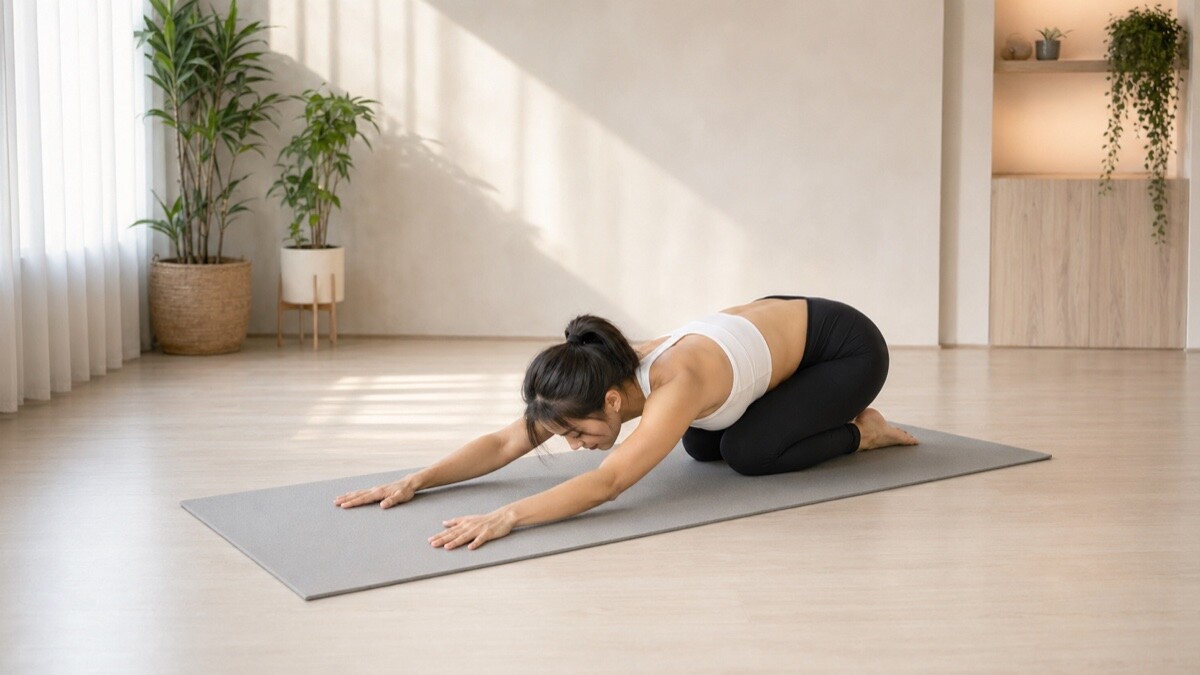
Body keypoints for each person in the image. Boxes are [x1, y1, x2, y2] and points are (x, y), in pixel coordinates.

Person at [334, 296, 917, 550]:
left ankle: (865, 430)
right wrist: (416, 480)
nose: (571, 444)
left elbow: (610, 482)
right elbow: (507, 439)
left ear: (614, 401)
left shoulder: (674, 382)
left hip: (843, 348)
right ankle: (793, 404)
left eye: (576, 432)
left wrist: (508, 514)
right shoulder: (600, 372)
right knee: (703, 448)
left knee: (749, 454)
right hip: (777, 334)